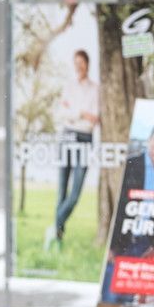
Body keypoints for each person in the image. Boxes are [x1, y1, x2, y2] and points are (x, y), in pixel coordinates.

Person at [101, 121, 154, 303]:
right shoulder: (131, 164)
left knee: (127, 296)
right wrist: (111, 245)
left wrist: (153, 242)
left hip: (143, 242)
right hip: (122, 239)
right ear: (149, 139)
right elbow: (118, 205)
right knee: (110, 297)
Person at [45, 49, 99, 250]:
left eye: (81, 62)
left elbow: (94, 119)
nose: (79, 66)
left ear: (87, 64)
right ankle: (58, 240)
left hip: (85, 139)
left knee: (75, 194)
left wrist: (75, 113)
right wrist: (81, 113)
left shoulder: (95, 89)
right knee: (62, 190)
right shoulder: (68, 87)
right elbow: (62, 114)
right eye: (76, 62)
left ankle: (54, 227)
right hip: (67, 137)